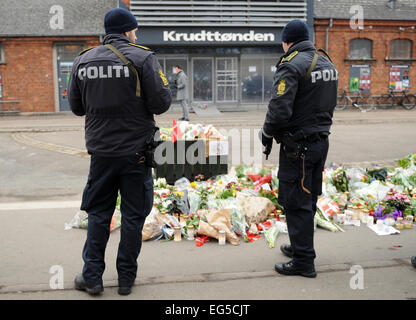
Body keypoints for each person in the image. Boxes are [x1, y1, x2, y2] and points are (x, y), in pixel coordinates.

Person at [68, 7, 171, 296]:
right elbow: (161, 103)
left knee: (99, 214)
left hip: (101, 154)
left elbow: (76, 107)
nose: (136, 34)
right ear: (127, 31)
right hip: (136, 154)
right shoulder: (143, 57)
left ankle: (92, 278)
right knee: (133, 215)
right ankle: (126, 279)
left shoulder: (83, 60)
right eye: (135, 30)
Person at [259, 19, 338, 278]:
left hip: (299, 147)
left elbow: (279, 110)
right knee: (308, 198)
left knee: (296, 201)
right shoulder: (326, 62)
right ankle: (299, 246)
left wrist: (267, 132)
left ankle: (304, 261)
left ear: (287, 41)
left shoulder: (291, 65)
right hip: (319, 141)